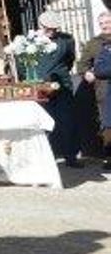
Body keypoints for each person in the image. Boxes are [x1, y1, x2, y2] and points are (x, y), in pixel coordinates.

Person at [36, 10, 80, 168]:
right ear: (41, 26)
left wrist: (60, 74)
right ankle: (48, 156)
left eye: (54, 28)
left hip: (62, 85)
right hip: (40, 86)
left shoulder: (67, 40)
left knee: (67, 120)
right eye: (48, 28)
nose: (51, 31)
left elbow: (70, 60)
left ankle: (71, 156)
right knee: (44, 122)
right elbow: (24, 64)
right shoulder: (32, 41)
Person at [78, 11, 111, 168]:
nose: (105, 25)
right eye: (102, 23)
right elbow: (82, 64)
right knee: (108, 124)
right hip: (104, 89)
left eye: (108, 22)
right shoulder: (94, 43)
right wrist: (87, 73)